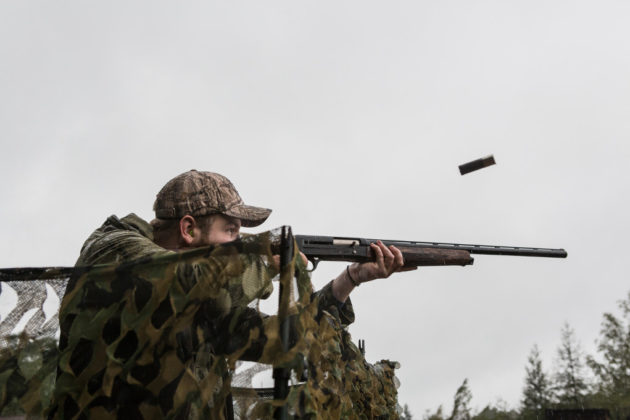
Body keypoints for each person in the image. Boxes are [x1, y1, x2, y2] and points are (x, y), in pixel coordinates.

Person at [50, 170, 407, 419]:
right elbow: (180, 279)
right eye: (231, 230)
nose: (240, 244)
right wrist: (264, 264)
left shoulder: (202, 304)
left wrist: (350, 279)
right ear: (188, 229)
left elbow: (287, 339)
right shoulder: (115, 248)